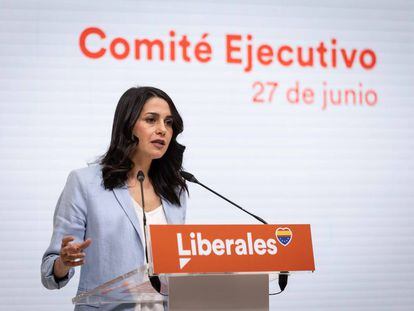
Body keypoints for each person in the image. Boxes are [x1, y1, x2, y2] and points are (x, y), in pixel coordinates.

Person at [41, 86, 188, 310]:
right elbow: (49, 271)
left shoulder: (174, 191)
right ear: (128, 126)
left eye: (168, 122)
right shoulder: (85, 183)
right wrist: (64, 262)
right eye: (151, 120)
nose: (163, 130)